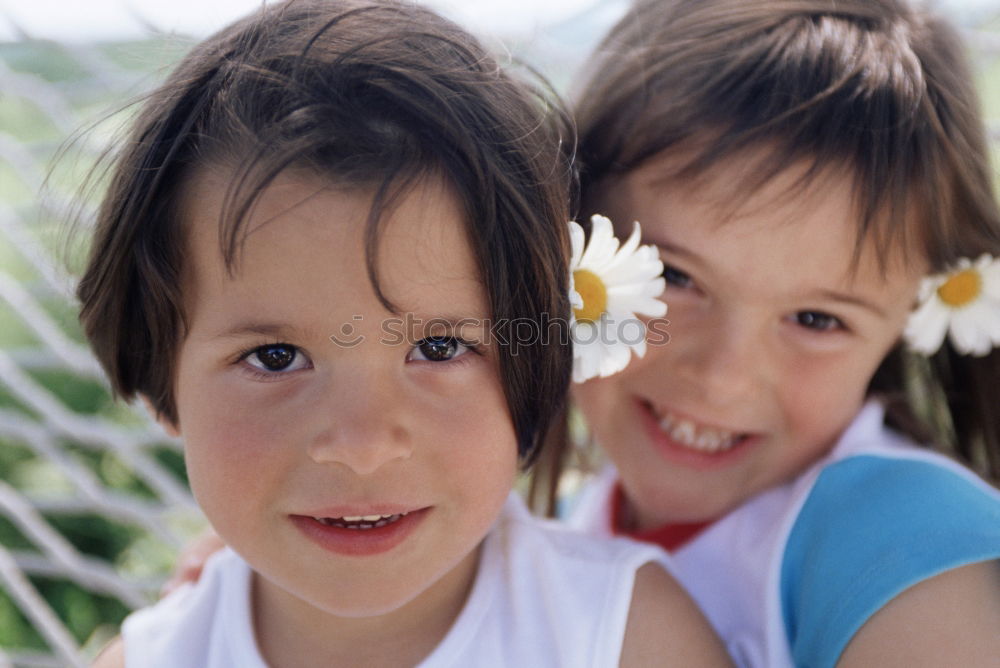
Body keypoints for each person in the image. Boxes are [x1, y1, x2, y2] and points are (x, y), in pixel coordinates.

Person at [78, 1, 732, 666]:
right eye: (275, 358)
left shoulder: (623, 635)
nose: (362, 446)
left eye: (439, 348)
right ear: (160, 380)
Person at [549, 0, 1000, 666]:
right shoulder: (564, 528)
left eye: (817, 319)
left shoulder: (906, 536)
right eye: (674, 277)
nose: (723, 375)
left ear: (911, 320)